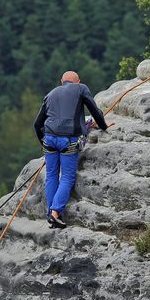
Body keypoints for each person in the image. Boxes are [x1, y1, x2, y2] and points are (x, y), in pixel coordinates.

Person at [33, 70, 109, 229]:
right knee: (67, 177)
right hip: (68, 140)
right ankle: (55, 213)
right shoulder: (81, 89)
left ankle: (50, 214)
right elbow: (95, 111)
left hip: (49, 139)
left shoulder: (50, 94)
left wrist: (43, 144)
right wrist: (104, 127)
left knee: (52, 175)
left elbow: (37, 124)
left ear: (62, 81)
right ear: (78, 81)